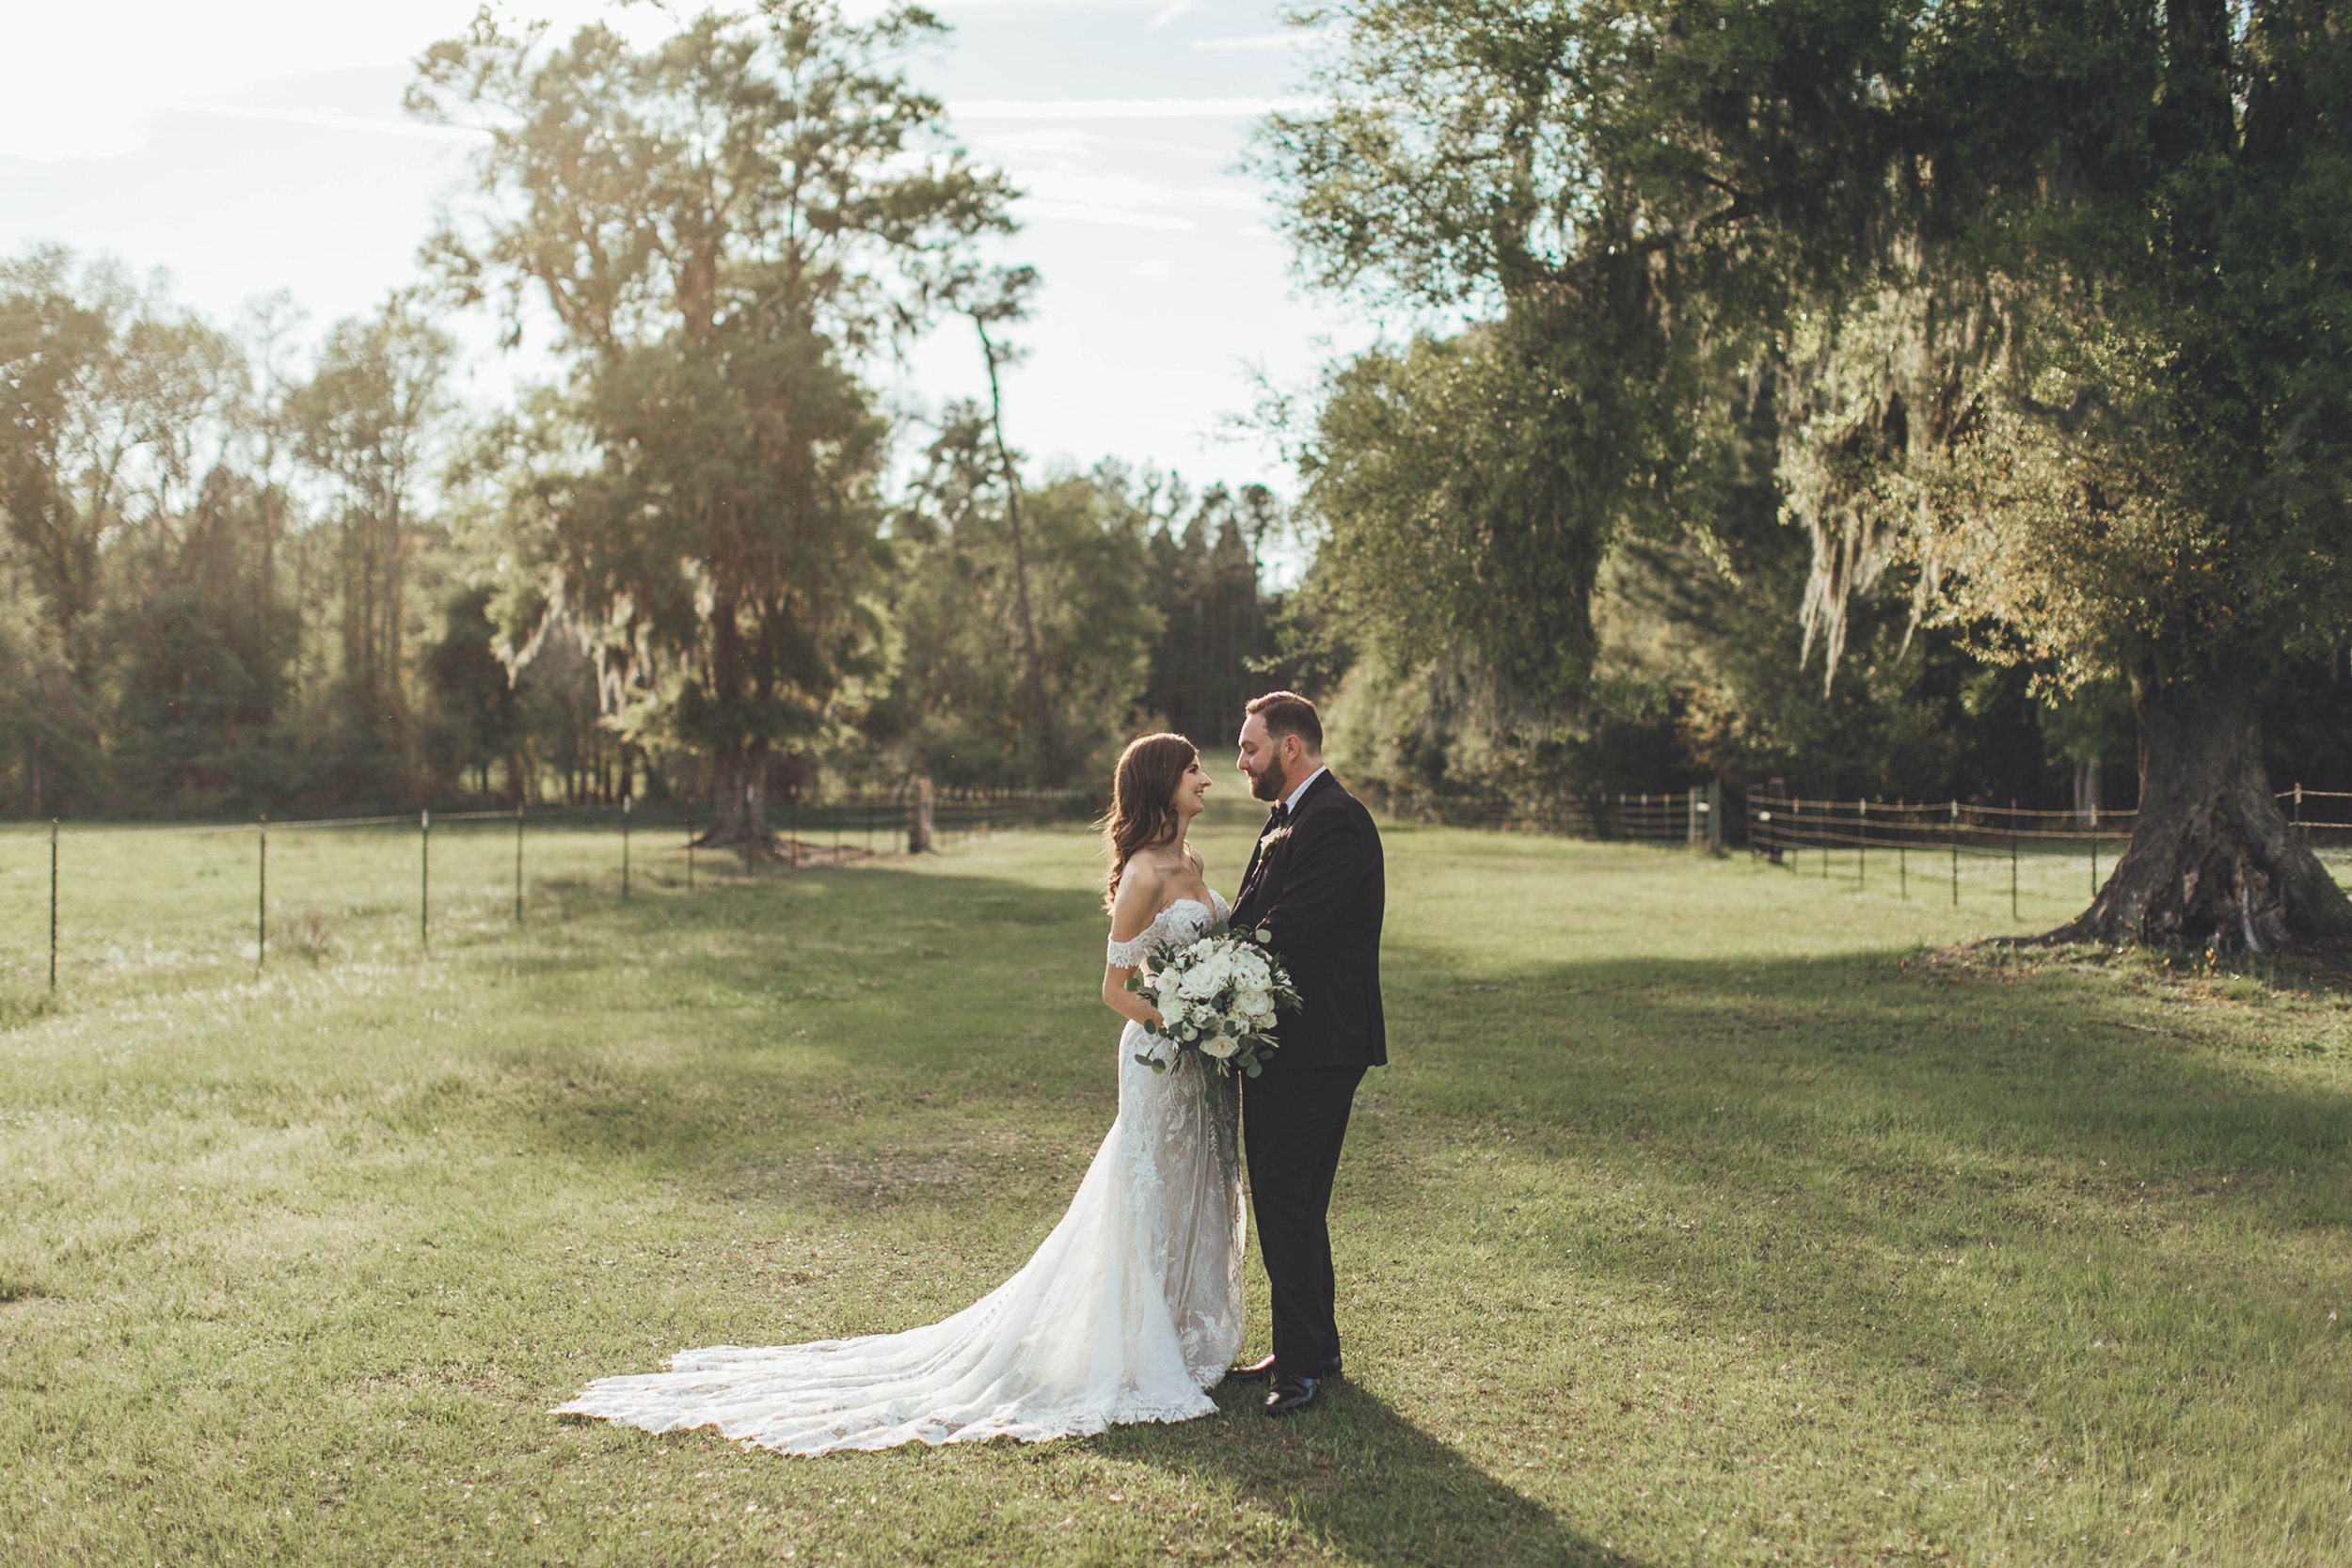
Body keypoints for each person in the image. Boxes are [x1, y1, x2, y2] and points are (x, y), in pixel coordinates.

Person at [551, 734, 1245, 1452]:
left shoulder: (1193, 861)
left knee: (1194, 1184)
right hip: (1161, 1053)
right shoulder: (1143, 874)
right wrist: (1183, 1019)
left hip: (1201, 1063)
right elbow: (1113, 990)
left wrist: (1220, 1010)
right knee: (1148, 1193)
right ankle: (1140, 1345)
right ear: (1162, 781)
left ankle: (1188, 1331)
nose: (1207, 779)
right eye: (1194, 767)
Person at [1225, 690, 1387, 1417]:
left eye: (1250, 747)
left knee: (1286, 1195)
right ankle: (1311, 1344)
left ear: (1291, 747)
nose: (1242, 761)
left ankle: (1300, 1365)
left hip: (1318, 1043)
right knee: (1296, 1199)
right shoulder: (1285, 819)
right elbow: (1251, 914)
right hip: (1284, 1043)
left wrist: (1218, 969)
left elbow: (1289, 926)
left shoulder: (1337, 821)